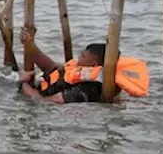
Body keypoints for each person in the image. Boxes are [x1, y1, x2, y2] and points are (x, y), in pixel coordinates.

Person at [18, 26, 149, 103]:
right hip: (40, 86)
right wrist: (29, 45)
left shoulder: (90, 88)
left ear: (93, 64)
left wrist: (23, 84)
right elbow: (50, 66)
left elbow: (44, 102)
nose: (78, 57)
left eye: (83, 56)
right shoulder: (82, 71)